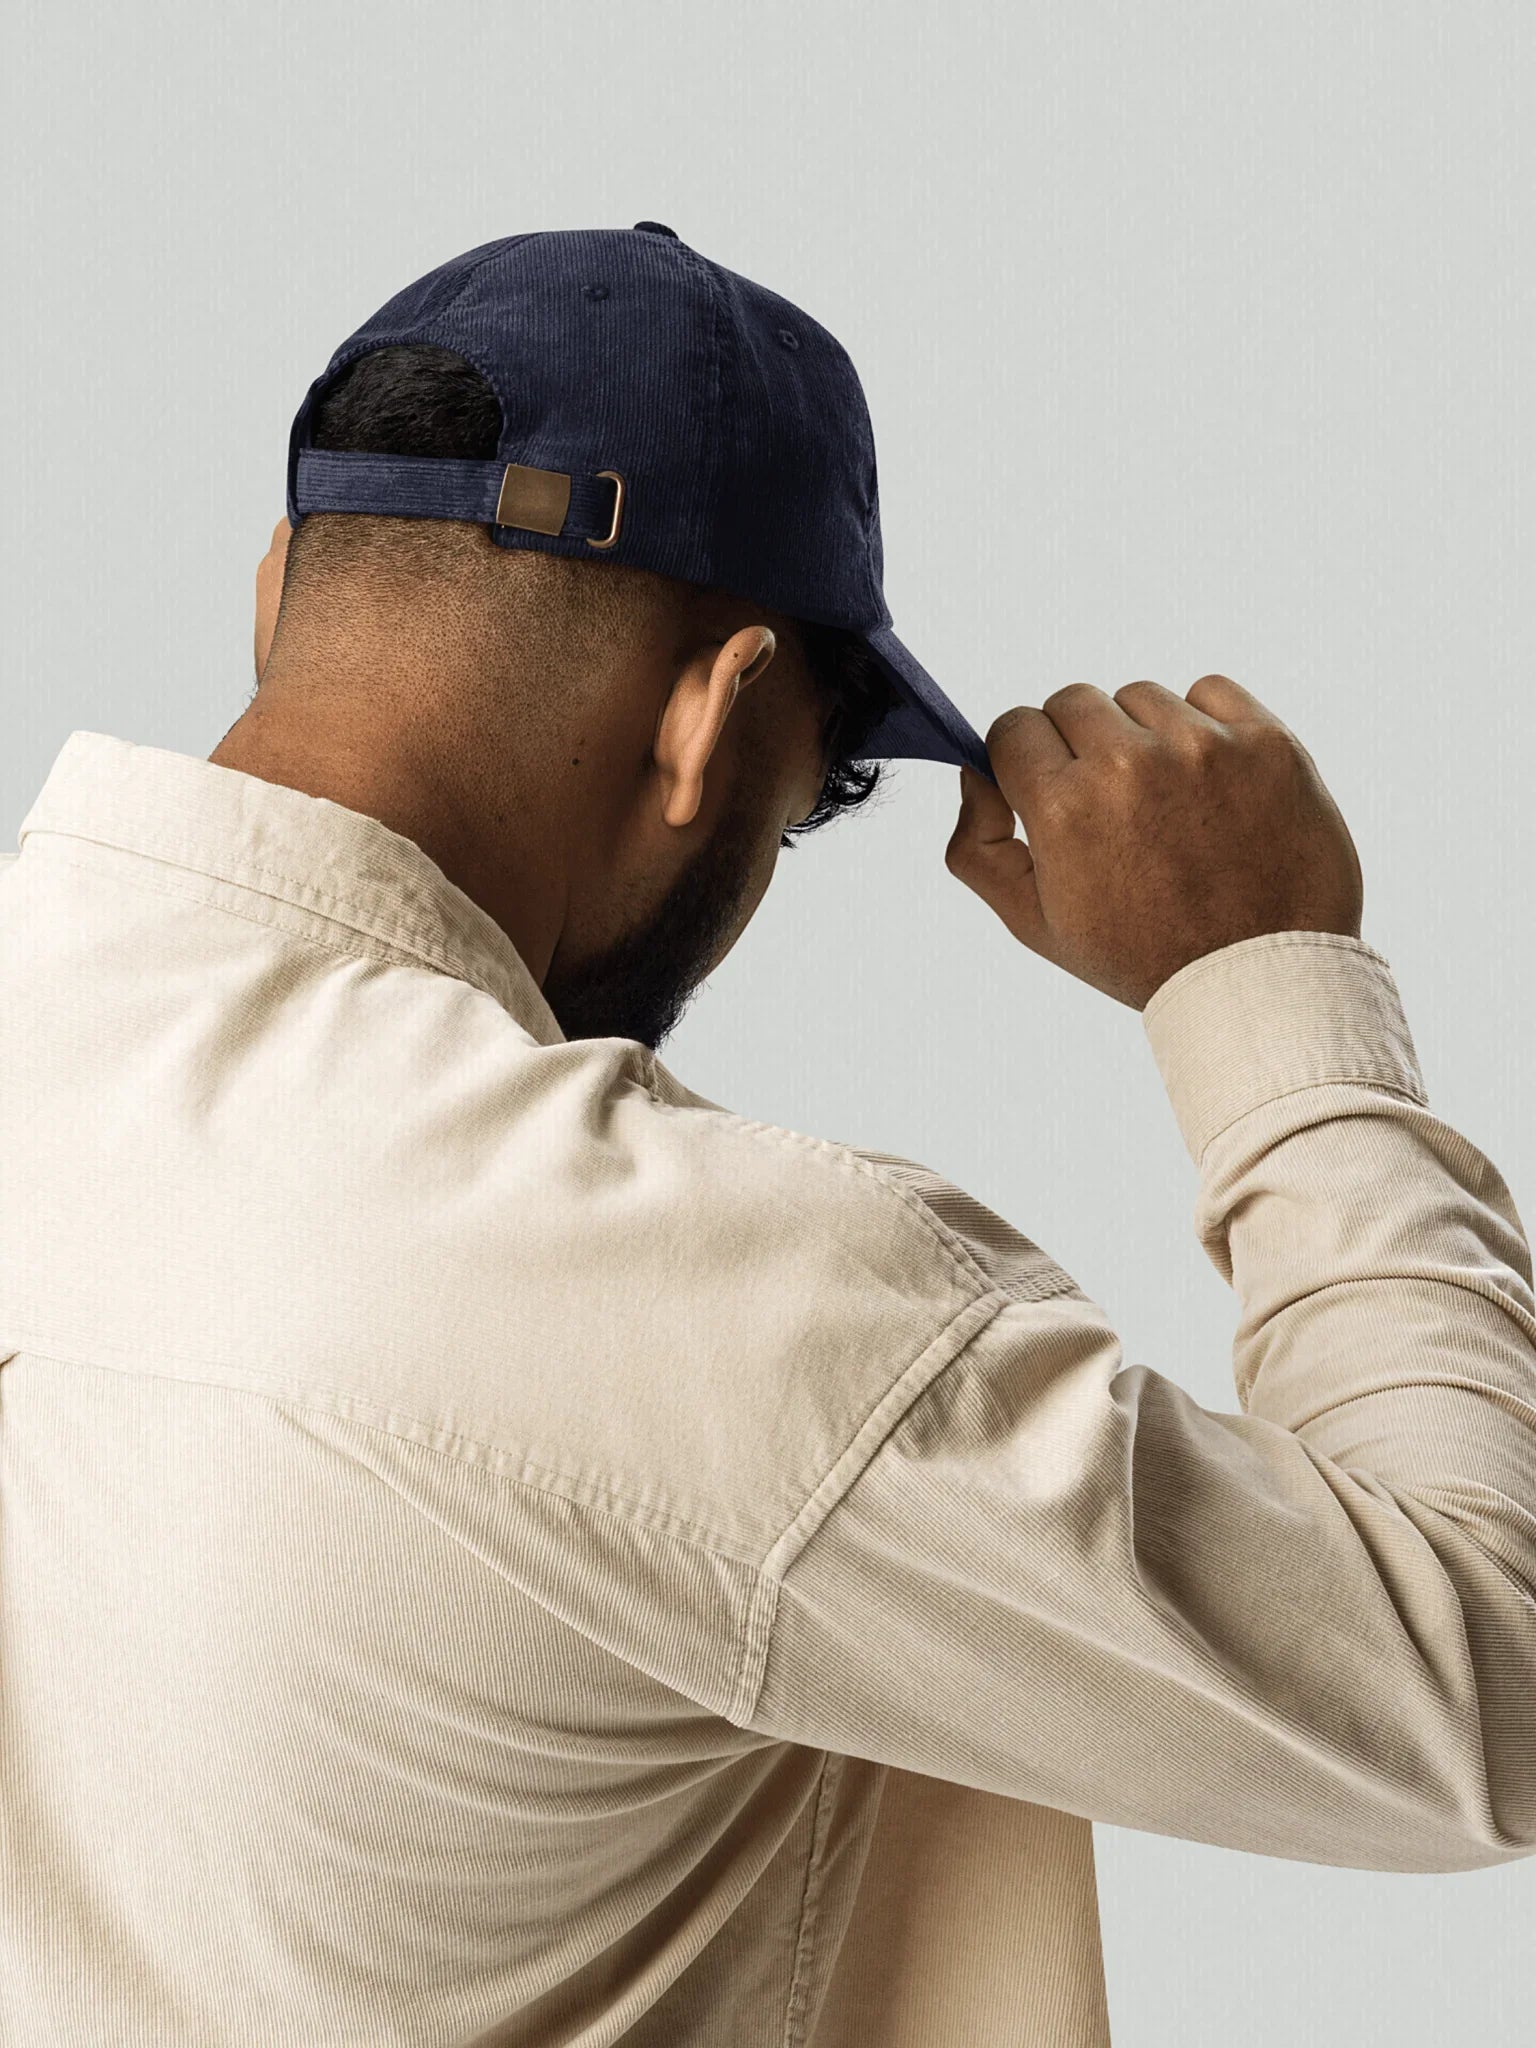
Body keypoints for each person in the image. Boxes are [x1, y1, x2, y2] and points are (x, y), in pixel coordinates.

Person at [2, 226, 1533, 2048]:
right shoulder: (693, 1285)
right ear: (711, 718)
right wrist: (1269, 979)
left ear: (275, 593)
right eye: (810, 798)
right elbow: (1482, 1683)